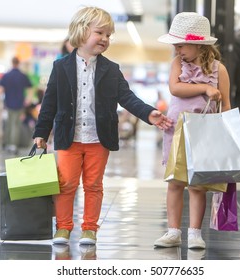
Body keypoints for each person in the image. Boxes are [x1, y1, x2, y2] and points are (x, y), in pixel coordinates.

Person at [33, 6, 173, 246]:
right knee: (65, 184)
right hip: (69, 137)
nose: (105, 39)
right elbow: (49, 104)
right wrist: (41, 133)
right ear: (81, 31)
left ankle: (90, 229)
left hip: (99, 139)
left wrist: (149, 113)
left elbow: (127, 97)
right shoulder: (61, 67)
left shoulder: (111, 69)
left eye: (109, 35)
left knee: (94, 185)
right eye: (100, 33)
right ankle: (64, 228)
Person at [154, 12, 231, 249]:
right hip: (178, 130)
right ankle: (173, 231)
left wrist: (226, 134)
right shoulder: (178, 64)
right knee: (175, 182)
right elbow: (175, 89)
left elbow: (226, 103)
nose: (177, 50)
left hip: (206, 133)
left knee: (199, 184)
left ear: (198, 43)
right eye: (175, 45)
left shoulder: (220, 70)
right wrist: (206, 89)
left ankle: (195, 232)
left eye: (181, 45)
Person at [0, 56, 33, 154]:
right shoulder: (22, 75)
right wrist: (28, 100)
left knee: (8, 124)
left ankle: (7, 144)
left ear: (11, 63)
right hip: (19, 104)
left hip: (8, 103)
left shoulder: (6, 75)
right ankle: (13, 145)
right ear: (18, 63)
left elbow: (0, 90)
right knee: (16, 125)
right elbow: (30, 88)